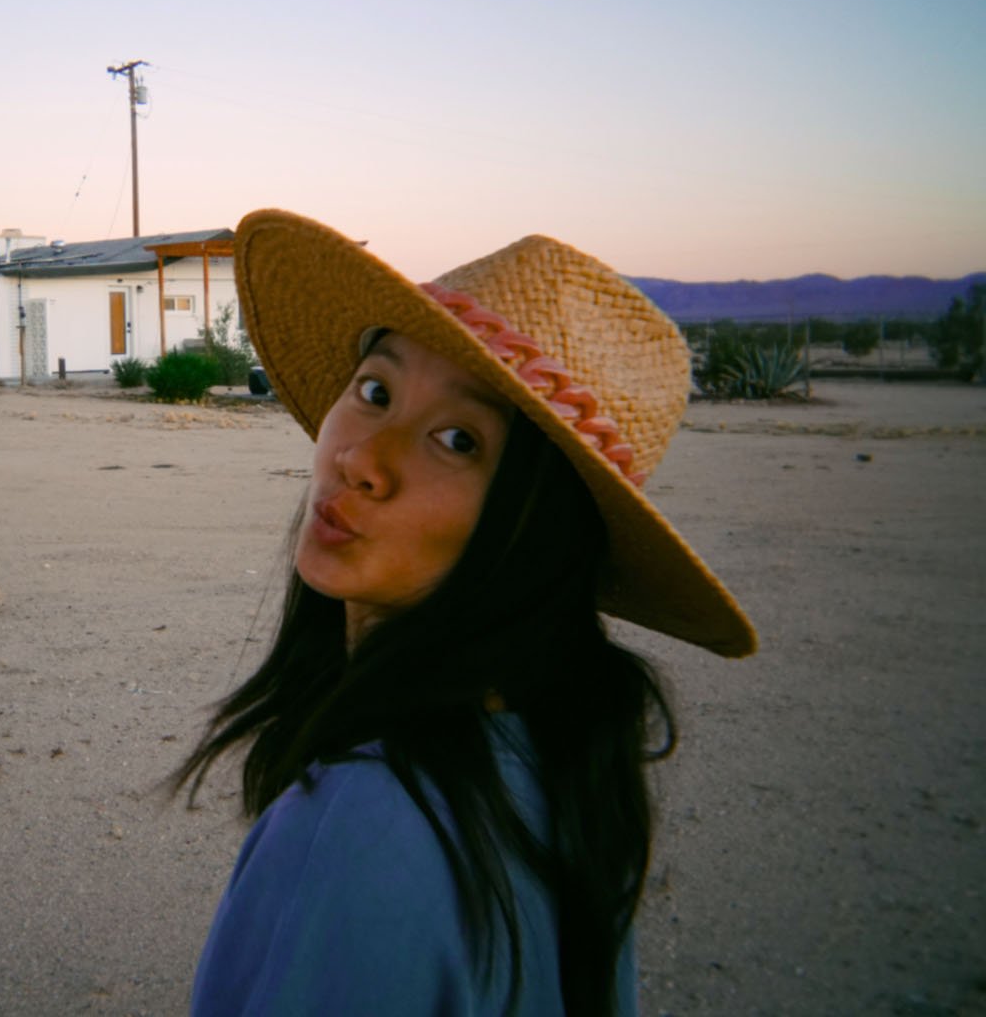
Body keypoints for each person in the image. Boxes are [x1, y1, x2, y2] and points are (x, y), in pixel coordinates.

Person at [175, 208, 758, 1016]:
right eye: (375, 390)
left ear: (535, 528)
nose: (361, 458)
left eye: (458, 440)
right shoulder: (559, 766)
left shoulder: (363, 823)